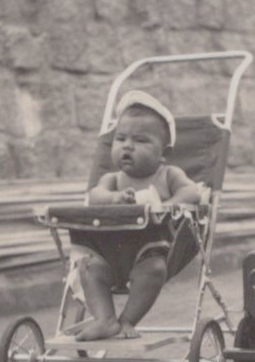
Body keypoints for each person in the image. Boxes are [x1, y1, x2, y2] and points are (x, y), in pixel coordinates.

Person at [69, 90, 200, 341]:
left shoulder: (168, 175)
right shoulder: (112, 180)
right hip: (109, 252)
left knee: (153, 269)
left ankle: (127, 320)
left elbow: (191, 192)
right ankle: (105, 319)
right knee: (89, 268)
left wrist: (168, 205)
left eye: (140, 140)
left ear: (164, 152)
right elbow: (94, 196)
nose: (127, 146)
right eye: (120, 139)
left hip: (149, 251)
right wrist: (113, 199)